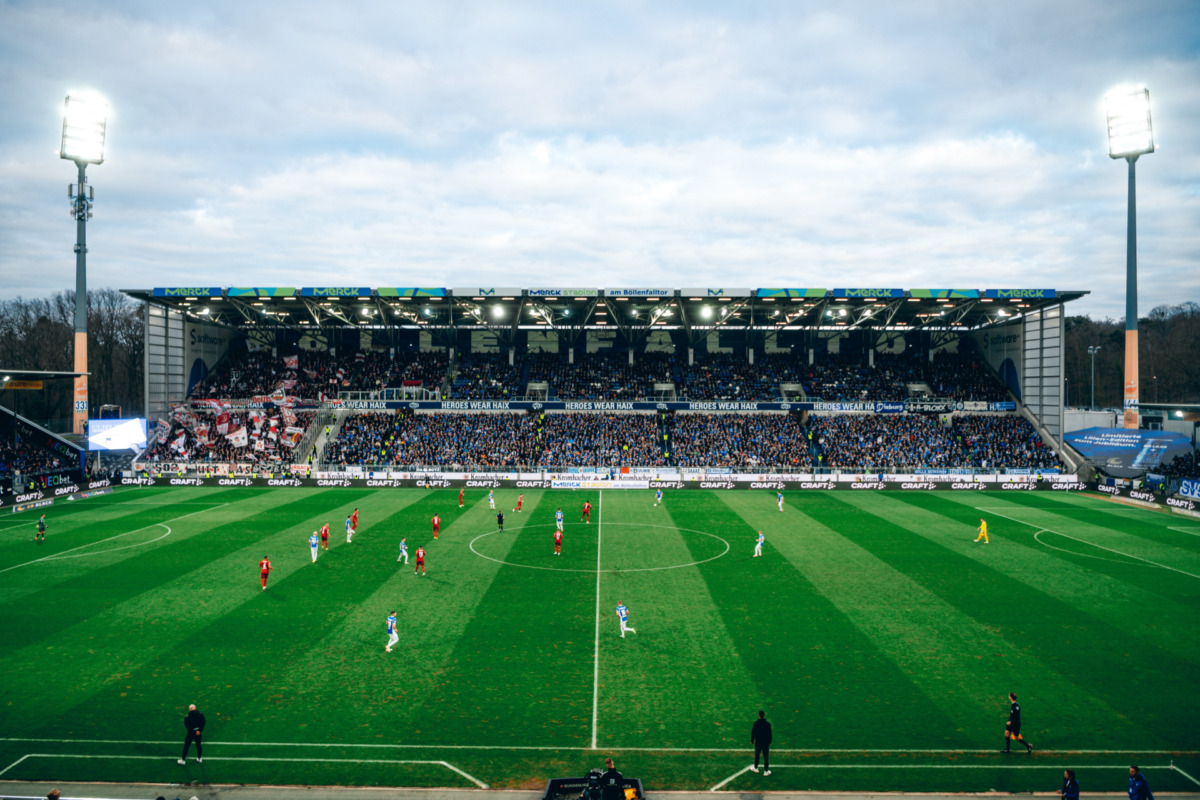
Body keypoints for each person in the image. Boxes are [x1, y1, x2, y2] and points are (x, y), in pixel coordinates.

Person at [749, 710, 772, 775]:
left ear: (759, 716)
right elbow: (769, 733)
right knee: (766, 757)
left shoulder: (756, 723)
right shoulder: (767, 724)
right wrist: (770, 741)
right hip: (765, 743)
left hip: (758, 742)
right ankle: (766, 771)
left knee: (757, 755)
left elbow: (753, 733)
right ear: (764, 716)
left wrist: (752, 740)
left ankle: (756, 768)